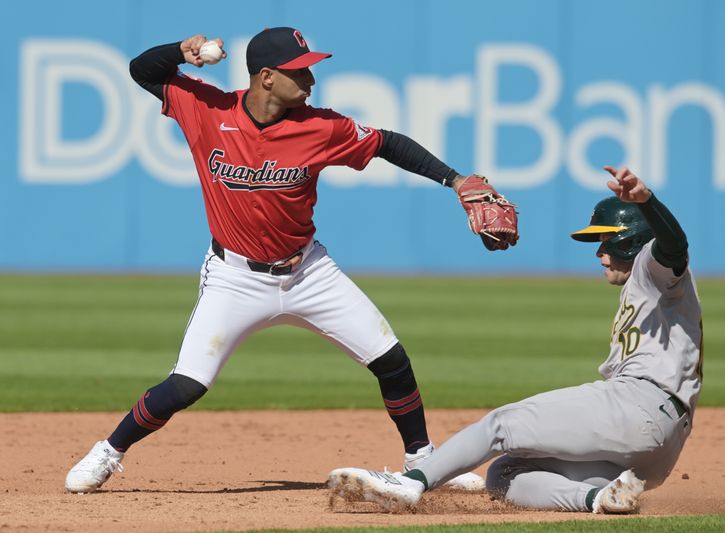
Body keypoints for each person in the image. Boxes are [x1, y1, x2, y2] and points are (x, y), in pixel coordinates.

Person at [65, 27, 518, 493]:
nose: (311, 80)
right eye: (300, 71)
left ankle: (424, 460)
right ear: (266, 77)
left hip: (307, 272)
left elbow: (388, 143)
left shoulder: (322, 127)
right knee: (186, 385)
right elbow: (143, 71)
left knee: (392, 360)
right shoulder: (207, 109)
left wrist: (455, 180)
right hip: (233, 277)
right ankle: (108, 451)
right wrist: (180, 52)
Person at [328, 166, 703, 514]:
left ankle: (410, 483)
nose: (599, 252)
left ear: (632, 239)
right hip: (662, 449)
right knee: (504, 474)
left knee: (502, 426)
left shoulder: (653, 267)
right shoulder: (648, 286)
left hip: (638, 405)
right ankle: (600, 498)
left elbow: (675, 245)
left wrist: (646, 202)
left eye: (605, 241)